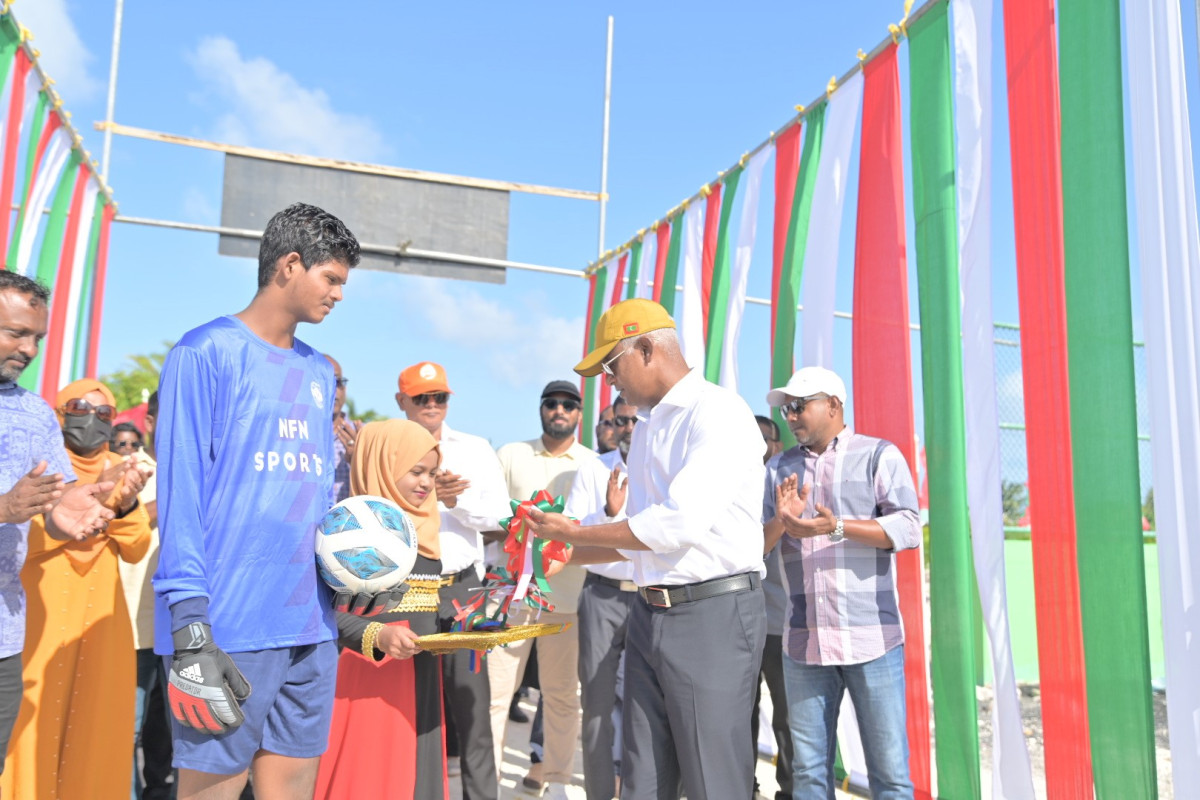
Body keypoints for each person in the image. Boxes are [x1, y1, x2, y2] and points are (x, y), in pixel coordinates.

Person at [153, 203, 391, 800]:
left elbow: (315, 498)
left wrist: (352, 573)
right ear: (289, 264)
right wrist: (189, 627)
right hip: (227, 623)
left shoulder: (317, 373)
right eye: (331, 278)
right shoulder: (205, 352)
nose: (338, 294)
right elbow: (182, 494)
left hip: (308, 623)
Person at [525, 298, 767, 800]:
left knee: (712, 782)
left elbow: (675, 524)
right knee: (643, 778)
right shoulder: (651, 425)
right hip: (649, 611)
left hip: (713, 615)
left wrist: (575, 534)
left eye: (611, 365)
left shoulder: (718, 412)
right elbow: (639, 545)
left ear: (645, 348)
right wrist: (561, 545)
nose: (609, 381)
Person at [763, 366, 920, 799]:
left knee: (889, 776)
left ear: (833, 405)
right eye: (787, 409)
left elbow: (908, 527)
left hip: (872, 641)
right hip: (804, 643)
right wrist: (782, 520)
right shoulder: (778, 468)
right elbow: (756, 546)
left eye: (799, 406)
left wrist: (837, 528)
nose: (790, 417)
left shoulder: (878, 455)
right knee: (810, 774)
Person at [2, 378, 153, 799]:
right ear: (59, 413)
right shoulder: (39, 470)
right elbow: (19, 541)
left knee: (96, 731)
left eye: (104, 413)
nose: (93, 420)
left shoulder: (123, 475)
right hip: (38, 622)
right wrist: (67, 521)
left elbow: (137, 548)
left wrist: (119, 503)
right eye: (81, 408)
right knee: (26, 730)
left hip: (101, 627)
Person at [0, 272, 118, 776]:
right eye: (15, 333)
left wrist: (70, 505)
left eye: (37, 338)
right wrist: (4, 508)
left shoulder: (35, 414)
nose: (28, 349)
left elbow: (57, 496)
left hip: (5, 638)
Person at [316, 418, 450, 799]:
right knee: (369, 778)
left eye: (433, 473)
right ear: (383, 465)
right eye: (416, 471)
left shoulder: (425, 526)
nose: (426, 482)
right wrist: (377, 635)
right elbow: (321, 612)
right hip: (365, 676)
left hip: (418, 672)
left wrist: (469, 624)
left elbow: (427, 604)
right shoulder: (346, 531)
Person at [395, 360, 503, 800]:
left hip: (463, 588)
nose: (432, 405)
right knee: (415, 710)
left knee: (472, 707)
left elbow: (501, 515)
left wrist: (456, 501)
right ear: (401, 401)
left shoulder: (474, 449)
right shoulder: (387, 448)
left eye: (439, 396)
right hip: (408, 590)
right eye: (422, 398)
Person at [489, 380, 598, 799]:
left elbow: (592, 530)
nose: (559, 410)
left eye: (568, 404)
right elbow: (491, 515)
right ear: (541, 408)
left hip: (565, 598)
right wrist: (517, 529)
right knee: (498, 694)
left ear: (578, 413)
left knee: (561, 698)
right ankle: (488, 782)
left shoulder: (592, 463)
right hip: (510, 596)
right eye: (551, 403)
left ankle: (555, 782)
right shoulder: (511, 454)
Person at [564, 394, 638, 800]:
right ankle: (598, 792)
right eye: (620, 421)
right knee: (595, 704)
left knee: (644, 707)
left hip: (650, 598)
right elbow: (572, 533)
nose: (627, 429)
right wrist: (609, 516)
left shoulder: (663, 470)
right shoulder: (595, 469)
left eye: (634, 421)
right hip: (602, 596)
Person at [123, 391, 175, 799]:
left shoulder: (199, 468)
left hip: (179, 629)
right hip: (133, 628)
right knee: (128, 733)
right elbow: (119, 523)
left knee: (172, 737)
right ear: (152, 422)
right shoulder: (129, 469)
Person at [754, 413, 792, 800]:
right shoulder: (725, 485)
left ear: (777, 446)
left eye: (761, 438)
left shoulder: (791, 484)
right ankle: (741, 787)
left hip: (781, 622)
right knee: (736, 714)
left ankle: (791, 792)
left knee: (788, 717)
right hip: (737, 622)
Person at [326, 353, 361, 503]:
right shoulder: (294, 433)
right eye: (326, 381)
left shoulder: (363, 434)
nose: (334, 389)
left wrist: (359, 461)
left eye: (339, 382)